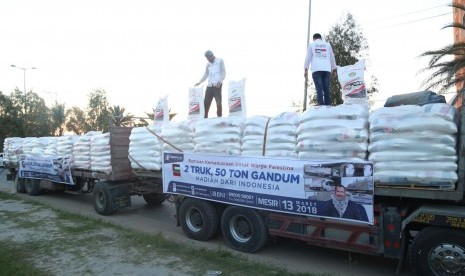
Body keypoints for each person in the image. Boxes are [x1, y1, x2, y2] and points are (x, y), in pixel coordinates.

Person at [304, 33, 337, 106]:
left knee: (319, 89)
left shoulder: (312, 45)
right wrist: (334, 69)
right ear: (320, 38)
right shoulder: (327, 44)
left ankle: (321, 106)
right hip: (326, 70)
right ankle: (328, 106)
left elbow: (308, 58)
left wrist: (306, 69)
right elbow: (332, 57)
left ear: (314, 39)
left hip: (316, 69)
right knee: (326, 89)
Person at [195, 50, 226, 118]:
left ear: (211, 56)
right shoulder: (208, 64)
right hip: (209, 86)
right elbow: (206, 74)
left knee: (218, 103)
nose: (208, 59)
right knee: (206, 103)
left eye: (208, 58)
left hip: (217, 85)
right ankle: (204, 118)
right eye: (207, 58)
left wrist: (220, 81)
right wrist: (200, 81)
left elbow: (223, 72)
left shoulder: (220, 61)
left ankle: (219, 117)